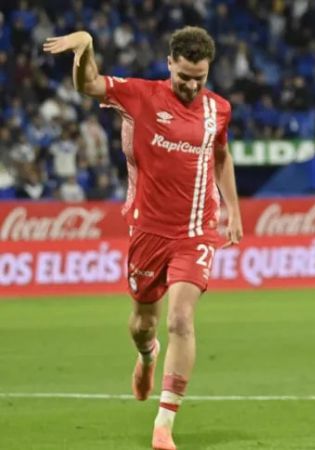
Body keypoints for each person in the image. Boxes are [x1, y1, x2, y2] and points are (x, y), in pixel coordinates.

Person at [43, 26, 242, 450]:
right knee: (143, 324)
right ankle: (147, 354)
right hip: (148, 230)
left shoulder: (218, 110)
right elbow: (89, 84)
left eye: (199, 79)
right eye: (184, 76)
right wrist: (85, 48)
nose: (191, 86)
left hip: (196, 231)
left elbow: (221, 155)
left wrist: (233, 210)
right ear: (170, 63)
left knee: (181, 319)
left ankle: (164, 423)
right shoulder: (140, 96)